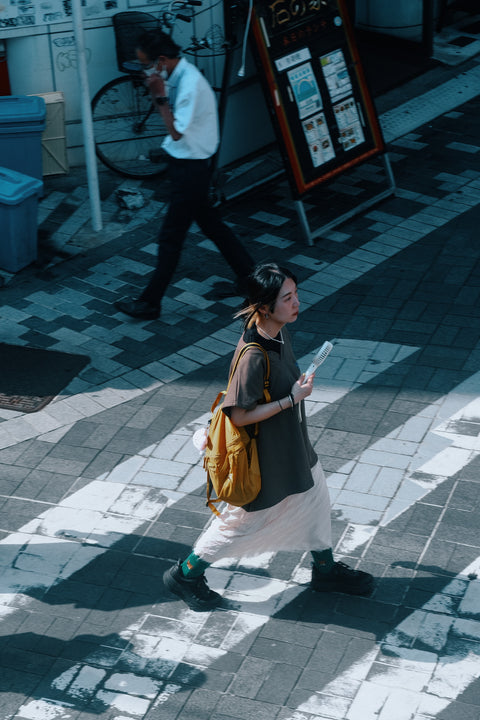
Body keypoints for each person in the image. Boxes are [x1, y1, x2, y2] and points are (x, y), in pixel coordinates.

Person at [163, 262, 374, 610]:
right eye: (287, 298)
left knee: (316, 498)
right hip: (263, 459)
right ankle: (185, 574)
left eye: (296, 295)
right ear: (264, 306)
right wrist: (291, 399)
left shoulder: (276, 329)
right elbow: (240, 414)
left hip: (289, 445)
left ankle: (325, 570)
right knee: (242, 523)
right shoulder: (253, 356)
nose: (296, 303)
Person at [115, 30, 255, 321]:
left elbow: (177, 131)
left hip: (190, 168)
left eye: (146, 65)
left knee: (171, 238)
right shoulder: (178, 77)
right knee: (213, 226)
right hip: (189, 165)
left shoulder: (190, 84)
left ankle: (150, 302)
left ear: (162, 61)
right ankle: (252, 281)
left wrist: (159, 98)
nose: (145, 71)